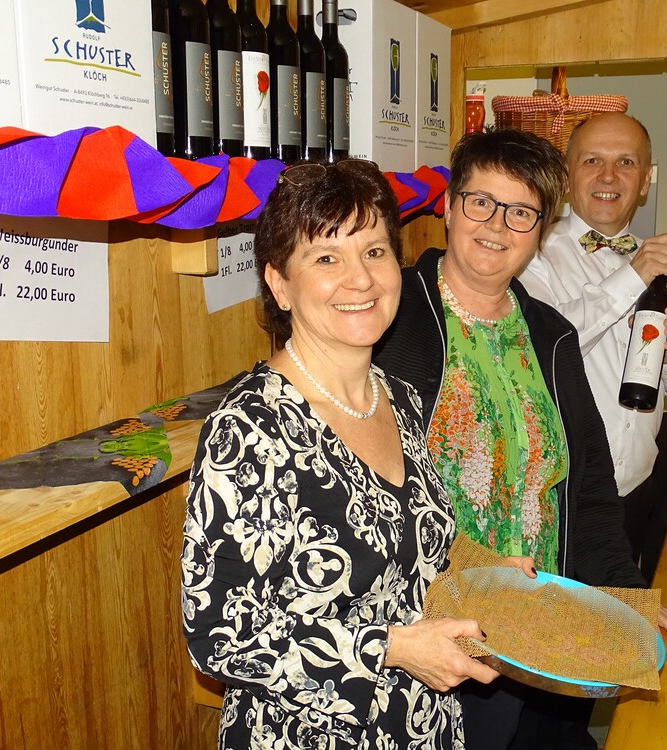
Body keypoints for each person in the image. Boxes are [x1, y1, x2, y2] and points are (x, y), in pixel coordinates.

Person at [374, 129, 667, 750]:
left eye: (522, 212)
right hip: (433, 635)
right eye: (480, 202)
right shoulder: (392, 315)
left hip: (539, 626)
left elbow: (589, 484)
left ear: (540, 232)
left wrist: (625, 593)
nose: (497, 225)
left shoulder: (552, 334)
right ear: (449, 207)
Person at [181, 159, 499, 750]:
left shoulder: (397, 398)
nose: (361, 279)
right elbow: (217, 635)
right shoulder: (250, 427)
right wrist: (394, 648)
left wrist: (488, 574)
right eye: (326, 258)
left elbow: (406, 547)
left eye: (375, 251)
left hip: (421, 726)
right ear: (279, 284)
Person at [519, 112, 667, 581]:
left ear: (645, 180)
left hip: (641, 491)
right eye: (592, 160)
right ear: (567, 175)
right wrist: (632, 277)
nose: (608, 176)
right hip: (562, 499)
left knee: (630, 618)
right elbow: (543, 349)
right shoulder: (531, 254)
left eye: (626, 162)